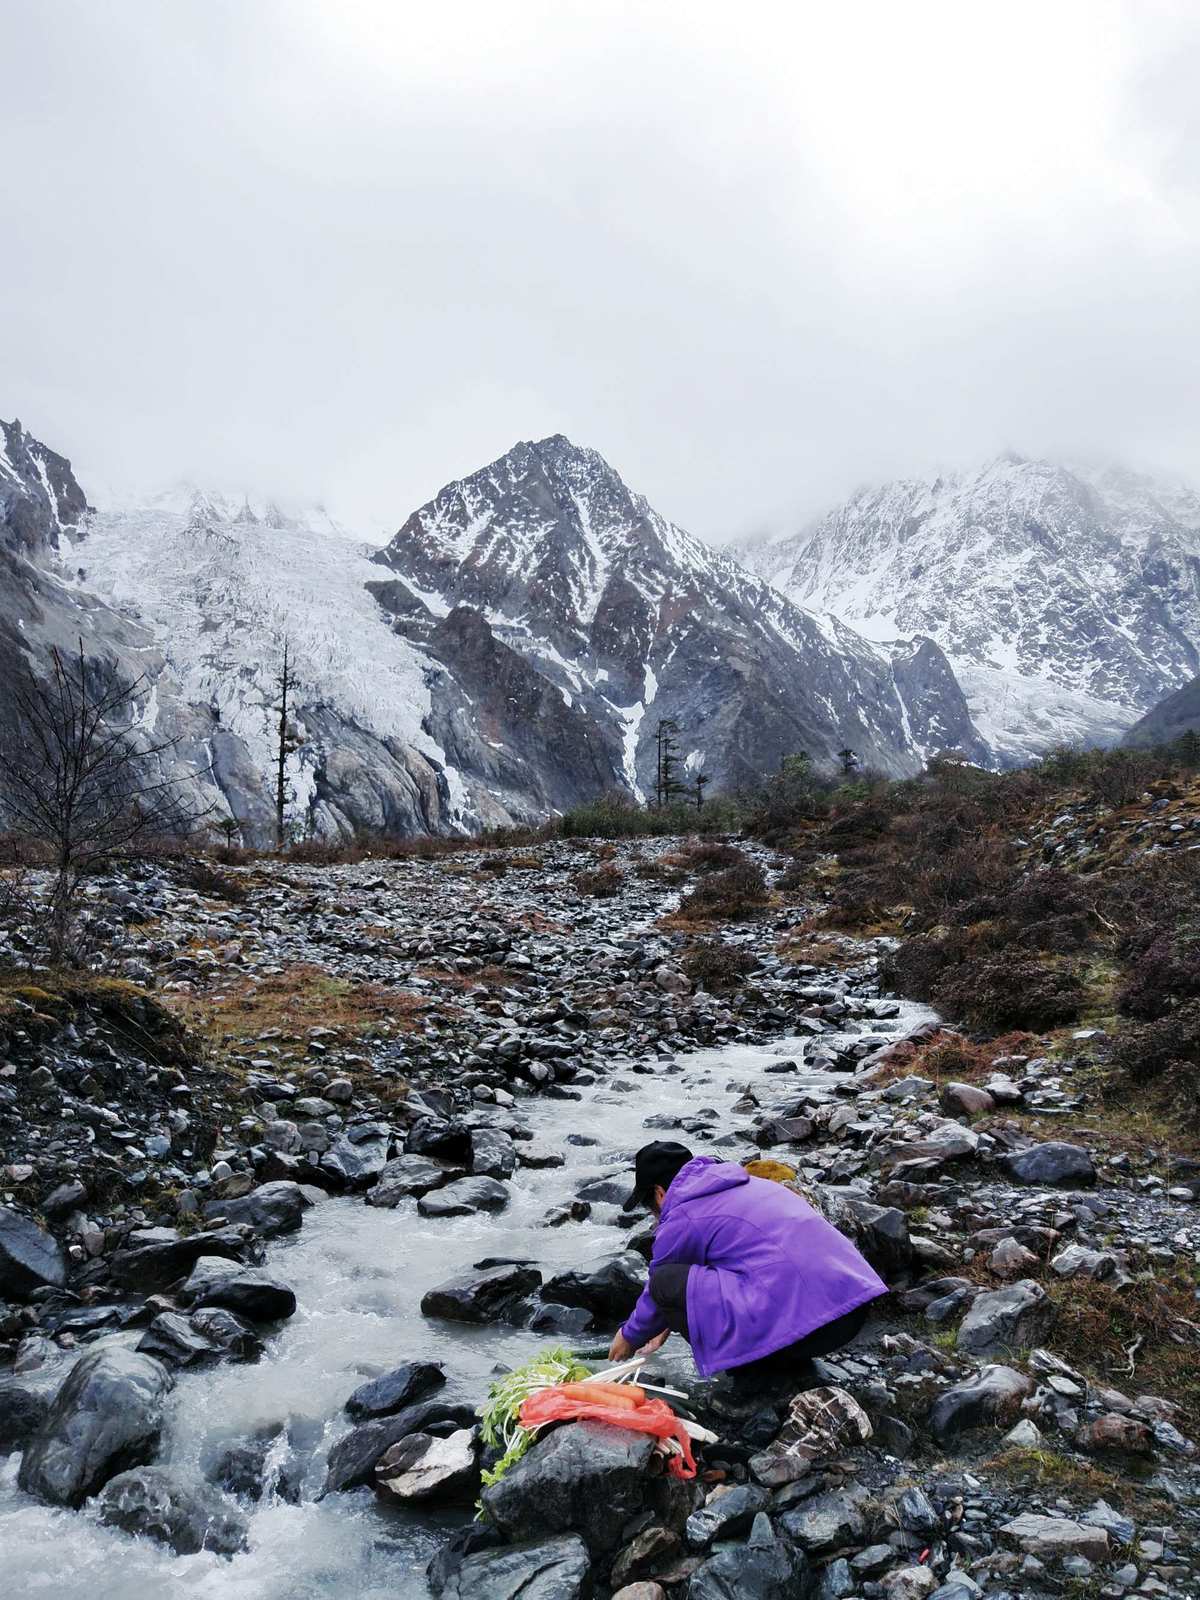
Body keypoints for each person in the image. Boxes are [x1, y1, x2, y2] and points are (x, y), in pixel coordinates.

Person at [608, 1141, 887, 1382]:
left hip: (816, 1327)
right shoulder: (749, 1184)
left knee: (665, 1282)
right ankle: (782, 1364)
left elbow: (661, 1290)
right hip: (851, 1307)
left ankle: (754, 1375)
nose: (655, 1217)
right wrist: (665, 1323)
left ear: (659, 1193)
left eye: (649, 1208)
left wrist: (628, 1337)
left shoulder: (683, 1214)